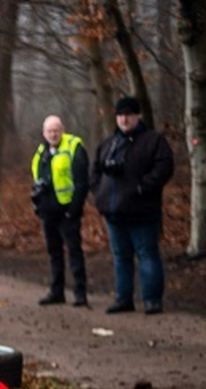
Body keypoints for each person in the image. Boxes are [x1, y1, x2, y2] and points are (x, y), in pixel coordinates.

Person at [90, 95, 174, 315]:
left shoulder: (153, 140)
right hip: (113, 212)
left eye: (128, 115)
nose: (124, 120)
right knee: (120, 257)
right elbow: (94, 171)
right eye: (120, 115)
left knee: (147, 254)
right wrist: (99, 194)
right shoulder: (109, 143)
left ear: (138, 116)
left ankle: (152, 300)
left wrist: (143, 187)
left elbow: (165, 167)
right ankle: (123, 298)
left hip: (142, 211)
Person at [31, 115, 89, 307]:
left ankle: (80, 293)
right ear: (44, 133)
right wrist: (38, 205)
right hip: (48, 212)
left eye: (56, 130)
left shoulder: (73, 147)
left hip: (67, 212)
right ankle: (57, 291)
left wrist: (74, 209)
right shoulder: (41, 152)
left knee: (74, 251)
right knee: (53, 252)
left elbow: (82, 182)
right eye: (49, 131)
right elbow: (37, 181)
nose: (53, 134)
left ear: (62, 130)